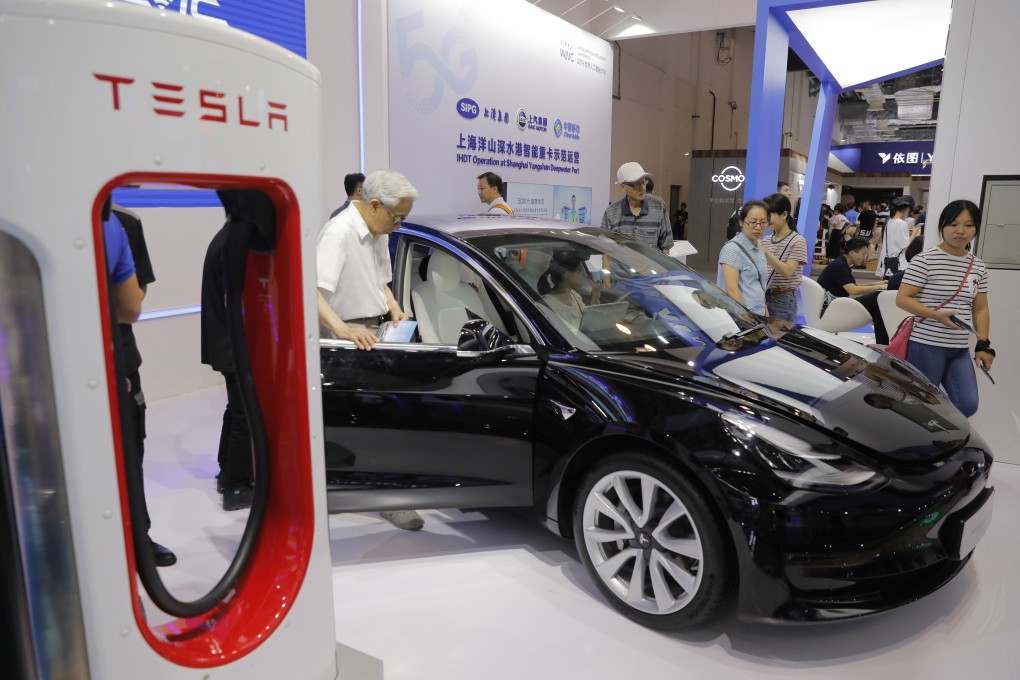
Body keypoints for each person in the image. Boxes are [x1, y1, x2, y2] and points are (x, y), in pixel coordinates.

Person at [317, 169, 424, 531]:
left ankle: (384, 491)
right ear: (375, 204)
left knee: (384, 418)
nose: (399, 225)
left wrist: (393, 307)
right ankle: (375, 495)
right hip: (347, 338)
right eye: (398, 217)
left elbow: (381, 282)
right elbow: (313, 293)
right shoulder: (338, 232)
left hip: (376, 332)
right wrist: (342, 328)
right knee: (364, 422)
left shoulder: (378, 231)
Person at [104, 205, 176, 566]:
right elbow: (130, 304)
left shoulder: (124, 221)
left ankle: (137, 535)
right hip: (114, 359)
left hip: (120, 361)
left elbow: (137, 295)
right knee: (127, 452)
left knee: (131, 451)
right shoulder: (114, 222)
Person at [895, 200, 992, 417]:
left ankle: (939, 441)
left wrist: (983, 344)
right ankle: (919, 448)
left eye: (968, 225)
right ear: (942, 226)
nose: (960, 231)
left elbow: (980, 308)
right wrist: (935, 315)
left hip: (958, 347)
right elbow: (902, 299)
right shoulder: (925, 260)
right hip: (925, 344)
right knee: (920, 405)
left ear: (976, 228)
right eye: (953, 224)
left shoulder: (978, 266)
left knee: (967, 404)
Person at [201, 219, 255, 512]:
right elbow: (235, 302)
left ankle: (227, 472)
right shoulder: (233, 246)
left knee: (236, 411)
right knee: (245, 416)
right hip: (235, 346)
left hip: (228, 344)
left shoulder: (225, 238)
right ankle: (236, 486)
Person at [816, 237, 890, 342]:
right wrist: (879, 287)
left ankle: (882, 343)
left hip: (835, 304)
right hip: (831, 307)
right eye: (863, 254)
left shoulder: (841, 263)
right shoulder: (840, 266)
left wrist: (877, 283)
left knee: (877, 310)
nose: (865, 258)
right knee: (877, 296)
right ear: (852, 253)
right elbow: (853, 290)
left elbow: (853, 285)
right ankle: (883, 343)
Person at [600, 162, 673, 255]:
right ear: (623, 187)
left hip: (651, 268)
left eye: (643, 182)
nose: (642, 188)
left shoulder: (658, 207)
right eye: (635, 184)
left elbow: (666, 248)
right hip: (620, 269)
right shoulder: (611, 212)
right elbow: (606, 250)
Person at [717, 200, 769, 315]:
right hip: (741, 317)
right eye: (753, 222)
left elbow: (758, 285)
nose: (758, 227)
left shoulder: (759, 246)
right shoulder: (732, 249)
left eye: (763, 222)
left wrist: (765, 313)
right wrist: (746, 319)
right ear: (741, 222)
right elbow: (731, 290)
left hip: (758, 314)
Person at [761, 193, 807, 324]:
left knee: (780, 339)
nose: (766, 220)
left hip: (783, 299)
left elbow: (787, 272)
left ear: (784, 214)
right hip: (763, 296)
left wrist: (765, 251)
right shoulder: (766, 239)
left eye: (770, 215)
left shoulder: (797, 240)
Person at [538, 249, 601, 331]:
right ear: (567, 275)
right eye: (579, 271)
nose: (582, 276)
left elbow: (587, 321)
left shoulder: (574, 295)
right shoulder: (547, 306)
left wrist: (595, 297)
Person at [877, 195, 914, 278]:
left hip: (887, 263)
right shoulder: (901, 223)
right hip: (899, 264)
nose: (908, 214)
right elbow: (905, 245)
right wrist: (915, 233)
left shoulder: (889, 222)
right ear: (906, 208)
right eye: (909, 211)